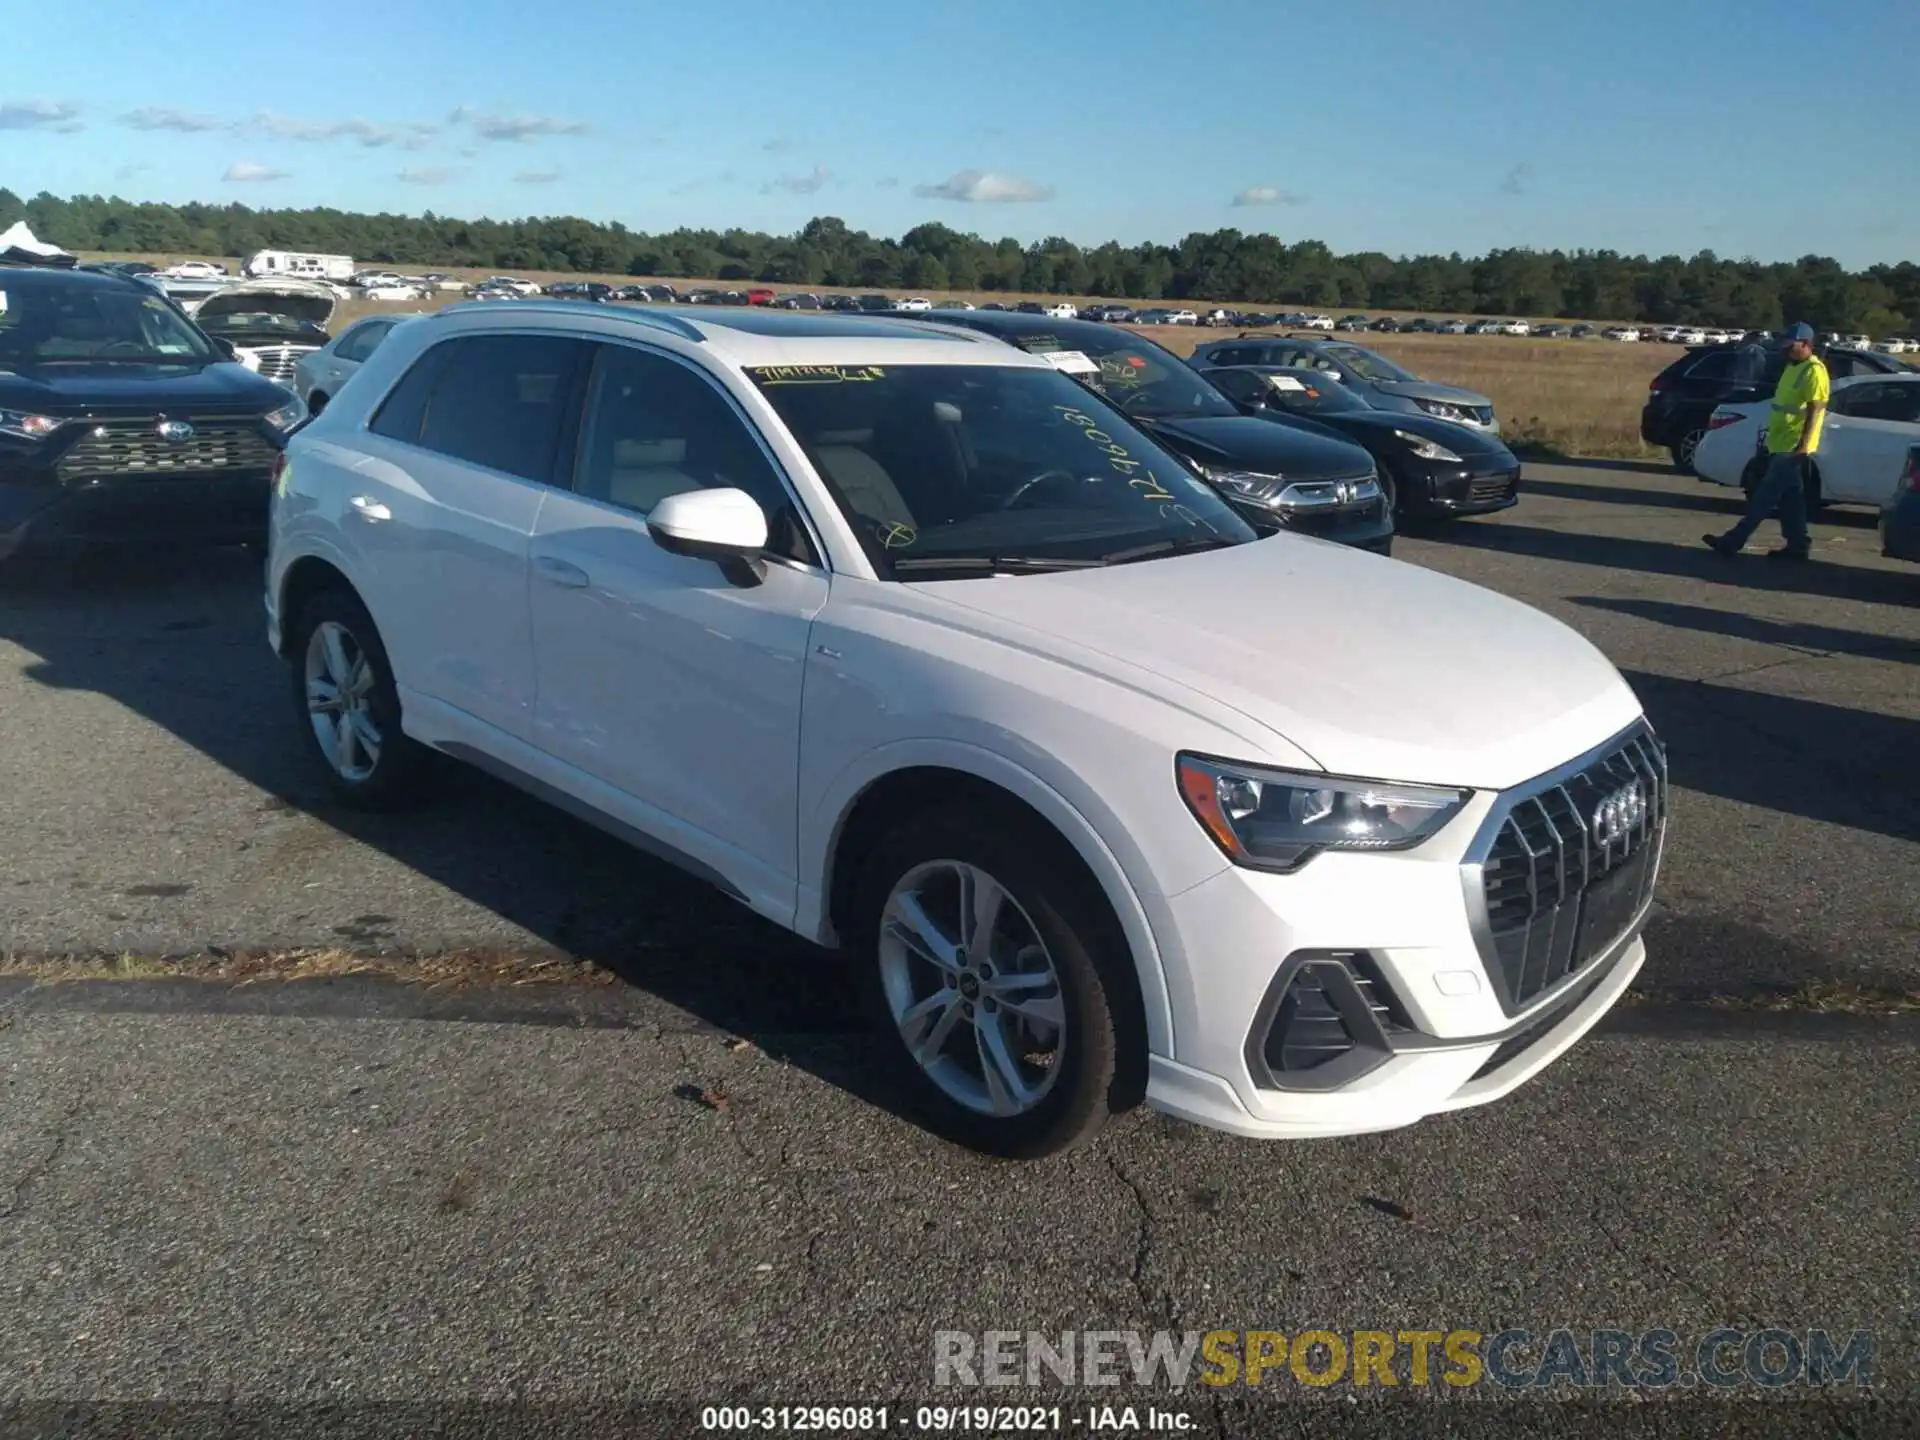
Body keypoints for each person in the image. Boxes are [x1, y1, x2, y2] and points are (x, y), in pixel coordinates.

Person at [1704, 322, 1829, 561]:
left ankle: (1733, 540)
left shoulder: (1814, 370)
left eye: (1790, 345)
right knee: (1791, 498)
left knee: (1764, 497)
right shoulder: (1792, 367)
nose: (1785, 350)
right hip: (1780, 442)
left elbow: (1816, 408)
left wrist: (1803, 445)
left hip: (1793, 446)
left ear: (1805, 343)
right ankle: (1798, 545)